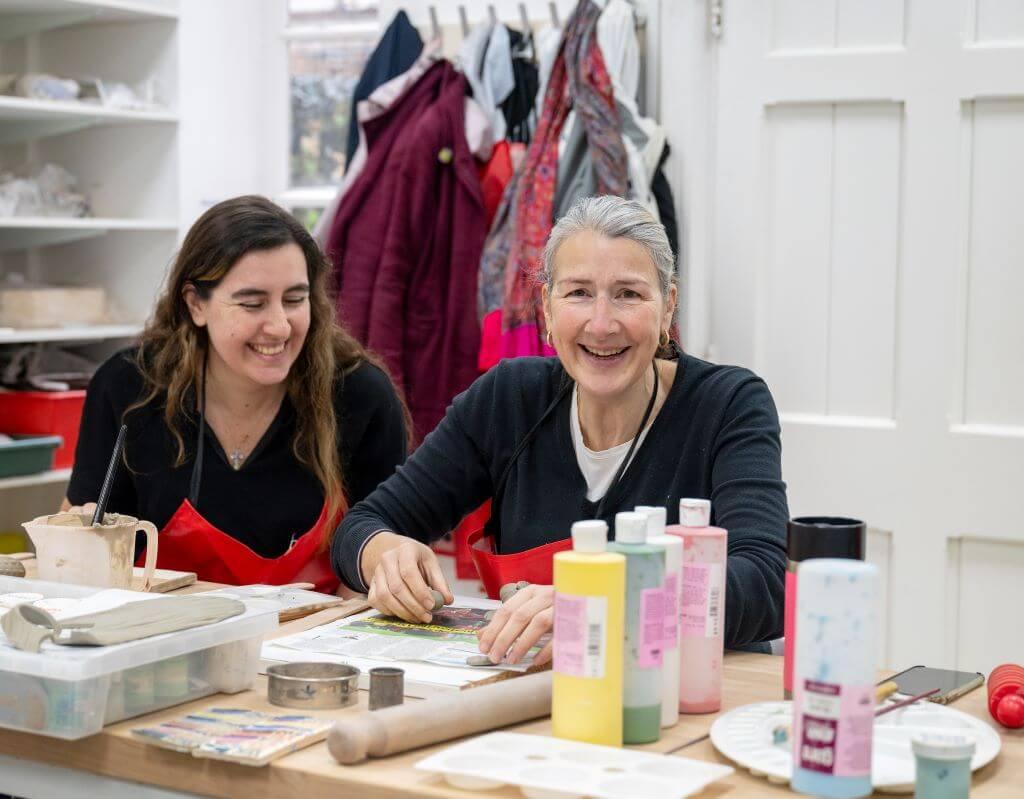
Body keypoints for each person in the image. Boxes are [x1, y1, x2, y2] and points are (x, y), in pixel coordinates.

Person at [331, 195, 788, 661]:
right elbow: (361, 528)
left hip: (681, 701)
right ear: (547, 308)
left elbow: (766, 586)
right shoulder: (508, 399)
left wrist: (595, 603)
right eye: (579, 293)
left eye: (628, 294)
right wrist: (384, 554)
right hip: (533, 702)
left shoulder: (728, 405)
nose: (602, 322)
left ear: (667, 307)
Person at [64, 196, 408, 593]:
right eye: (252, 303)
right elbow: (85, 540)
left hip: (305, 645)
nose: (279, 326)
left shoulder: (358, 396)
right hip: (160, 637)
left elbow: (381, 563)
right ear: (196, 305)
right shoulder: (129, 387)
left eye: (295, 300)